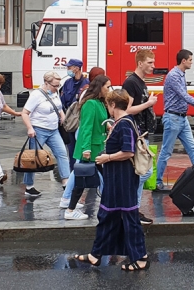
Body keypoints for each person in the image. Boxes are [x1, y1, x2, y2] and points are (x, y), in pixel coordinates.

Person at [73, 89, 149, 271]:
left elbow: (128, 152)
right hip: (117, 178)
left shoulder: (123, 124)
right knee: (108, 216)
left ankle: (140, 258)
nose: (107, 107)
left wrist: (106, 158)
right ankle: (96, 255)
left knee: (128, 217)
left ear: (113, 105)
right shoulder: (123, 122)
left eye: (108, 104)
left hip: (122, 179)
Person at [155, 50, 194, 191]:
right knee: (166, 151)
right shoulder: (174, 76)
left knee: (193, 148)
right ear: (183, 61)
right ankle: (158, 182)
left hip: (181, 118)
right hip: (173, 117)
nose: (191, 62)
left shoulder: (180, 74)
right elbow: (185, 96)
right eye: (190, 60)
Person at [65, 75, 111, 220]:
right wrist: (86, 149)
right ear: (100, 87)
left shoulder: (98, 103)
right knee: (82, 179)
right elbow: (86, 128)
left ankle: (108, 207)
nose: (109, 90)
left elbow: (99, 122)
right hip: (91, 148)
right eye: (107, 87)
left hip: (96, 146)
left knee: (87, 179)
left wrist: (108, 124)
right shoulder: (91, 103)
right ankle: (70, 210)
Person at [121, 49, 159, 225]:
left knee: (143, 172)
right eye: (150, 62)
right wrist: (148, 104)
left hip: (142, 133)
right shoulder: (131, 83)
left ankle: (132, 209)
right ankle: (131, 209)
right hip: (136, 133)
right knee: (143, 172)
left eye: (153, 62)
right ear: (140, 63)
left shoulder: (141, 82)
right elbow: (126, 110)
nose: (153, 66)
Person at [20, 71, 71, 197]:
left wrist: (63, 118)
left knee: (62, 154)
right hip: (39, 130)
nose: (57, 88)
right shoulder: (36, 95)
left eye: (58, 85)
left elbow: (59, 108)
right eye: (55, 85)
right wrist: (30, 128)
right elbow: (24, 113)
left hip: (54, 130)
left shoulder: (55, 92)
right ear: (46, 83)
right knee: (33, 158)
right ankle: (29, 186)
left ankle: (66, 183)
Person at [61, 58, 89, 168]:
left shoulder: (86, 83)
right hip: (69, 119)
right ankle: (73, 170)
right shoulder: (67, 82)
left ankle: (80, 170)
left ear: (77, 69)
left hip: (80, 119)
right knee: (70, 146)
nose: (68, 69)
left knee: (80, 146)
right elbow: (62, 99)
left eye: (69, 67)